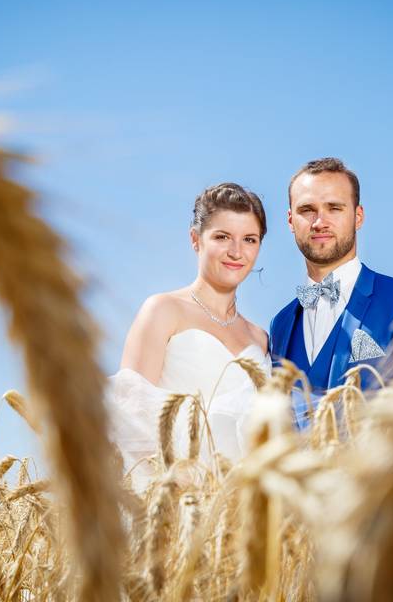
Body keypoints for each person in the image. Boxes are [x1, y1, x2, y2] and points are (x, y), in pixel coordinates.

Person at [106, 183, 270, 487]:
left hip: (238, 510)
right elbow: (129, 415)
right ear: (196, 239)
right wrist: (186, 488)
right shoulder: (163, 310)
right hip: (175, 499)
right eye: (222, 237)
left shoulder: (260, 338)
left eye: (249, 239)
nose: (236, 251)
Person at [269, 158, 393, 427]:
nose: (319, 222)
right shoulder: (280, 325)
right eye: (307, 210)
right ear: (290, 220)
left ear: (358, 216)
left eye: (334, 208)